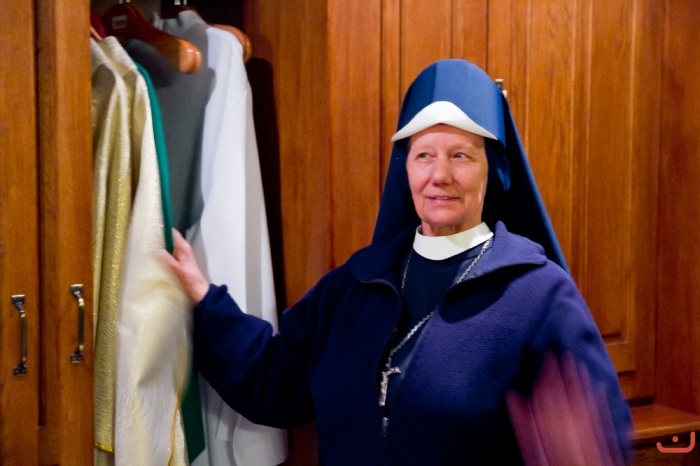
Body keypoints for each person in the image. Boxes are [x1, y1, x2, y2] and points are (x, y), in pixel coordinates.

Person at [164, 59, 633, 465]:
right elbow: (276, 381)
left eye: (461, 155)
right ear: (404, 168)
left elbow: (599, 439)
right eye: (424, 155)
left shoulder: (540, 297)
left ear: (493, 169)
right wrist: (205, 301)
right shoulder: (356, 284)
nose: (439, 175)